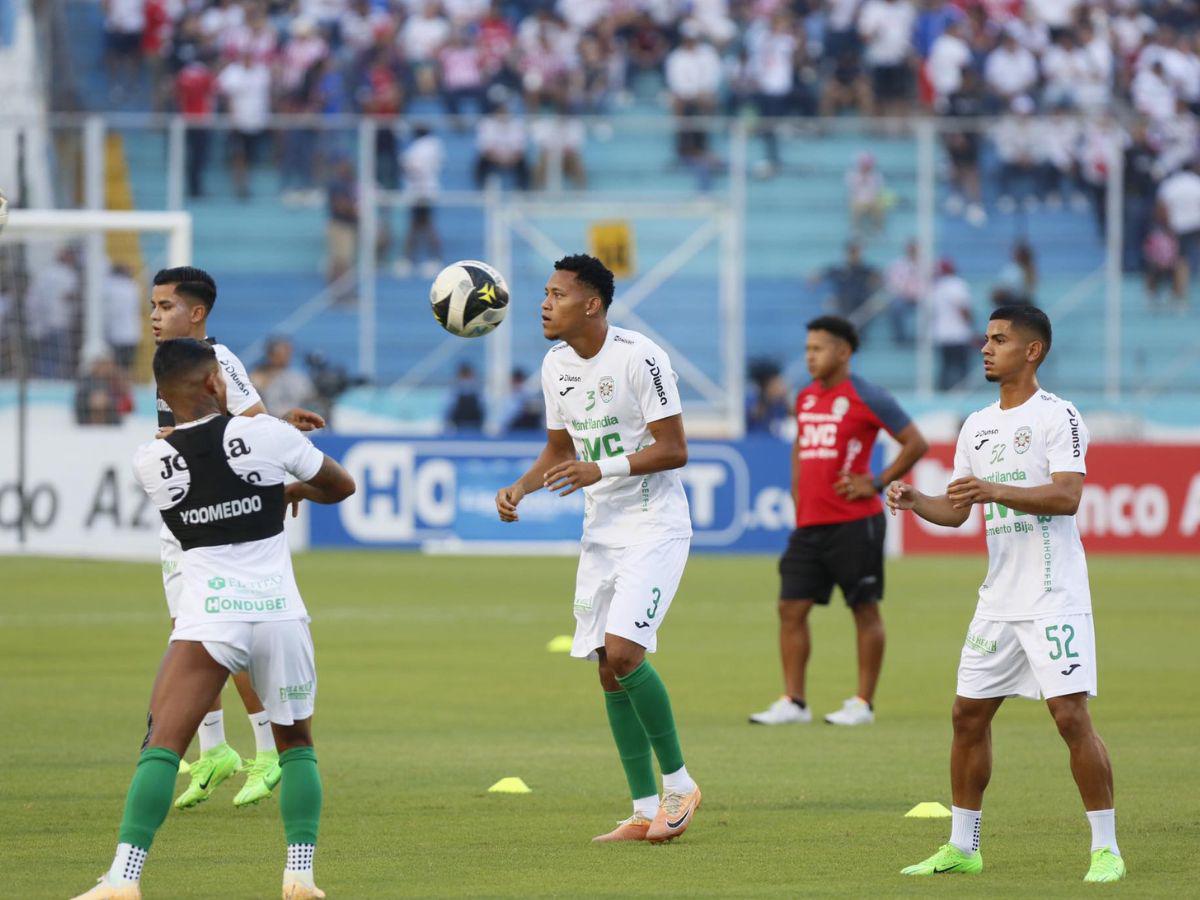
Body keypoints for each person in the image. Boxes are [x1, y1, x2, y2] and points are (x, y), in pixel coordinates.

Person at [71, 337, 355, 900]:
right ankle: (300, 875)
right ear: (214, 384)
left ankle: (123, 880)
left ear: (160, 394)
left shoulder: (150, 461)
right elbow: (340, 485)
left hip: (210, 617)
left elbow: (202, 489)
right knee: (296, 743)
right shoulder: (270, 435)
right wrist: (290, 488)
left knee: (164, 744)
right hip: (279, 612)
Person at [888, 305, 1126, 884]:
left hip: (1053, 594)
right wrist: (919, 501)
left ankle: (1106, 849)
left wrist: (996, 487)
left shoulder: (1058, 417)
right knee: (967, 715)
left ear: (1033, 350)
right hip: (997, 599)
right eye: (985, 339)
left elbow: (1068, 496)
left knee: (1070, 716)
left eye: (999, 339)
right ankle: (963, 845)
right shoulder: (976, 425)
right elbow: (957, 509)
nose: (986, 348)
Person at [494, 254, 701, 844]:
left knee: (625, 653)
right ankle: (642, 810)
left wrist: (600, 467)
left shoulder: (642, 357)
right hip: (602, 532)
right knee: (608, 672)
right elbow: (559, 449)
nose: (544, 303)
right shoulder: (555, 365)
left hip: (655, 523)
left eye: (557, 294)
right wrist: (522, 487)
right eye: (544, 292)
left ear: (592, 304)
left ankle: (681, 786)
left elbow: (676, 448)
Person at [148, 266, 324, 812]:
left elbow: (248, 428)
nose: (155, 316)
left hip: (213, 521)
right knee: (188, 627)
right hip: (187, 518)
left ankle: (269, 749)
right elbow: (247, 422)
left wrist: (280, 465)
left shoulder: (217, 361)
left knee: (219, 630)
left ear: (196, 312)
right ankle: (215, 748)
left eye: (165, 306)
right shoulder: (173, 365)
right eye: (152, 306)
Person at [749, 316, 927, 727]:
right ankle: (794, 701)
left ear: (843, 352)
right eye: (807, 348)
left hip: (855, 523)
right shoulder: (807, 398)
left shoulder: (867, 396)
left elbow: (915, 442)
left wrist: (878, 481)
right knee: (790, 607)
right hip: (809, 524)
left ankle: (862, 703)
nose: (809, 356)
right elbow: (799, 446)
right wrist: (797, 493)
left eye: (818, 349)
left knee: (864, 609)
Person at [930, 258, 974, 390]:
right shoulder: (957, 285)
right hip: (958, 332)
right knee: (962, 367)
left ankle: (942, 392)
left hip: (941, 333)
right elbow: (964, 310)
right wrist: (970, 324)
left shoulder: (935, 287)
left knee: (946, 366)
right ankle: (963, 391)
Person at [252, 336, 317, 416]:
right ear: (270, 354)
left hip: (294, 422)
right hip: (269, 421)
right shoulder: (258, 377)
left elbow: (310, 398)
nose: (286, 355)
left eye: (288, 352)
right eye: (282, 351)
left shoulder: (298, 377)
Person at [104, 263, 141, 371]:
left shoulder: (109, 286)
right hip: (132, 334)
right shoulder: (133, 286)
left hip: (114, 334)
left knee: (115, 367)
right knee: (126, 368)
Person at [445, 361, 484, 431]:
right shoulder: (453, 390)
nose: (466, 379)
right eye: (464, 375)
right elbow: (449, 408)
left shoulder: (478, 389)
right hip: (458, 423)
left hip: (475, 423)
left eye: (467, 375)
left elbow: (483, 408)